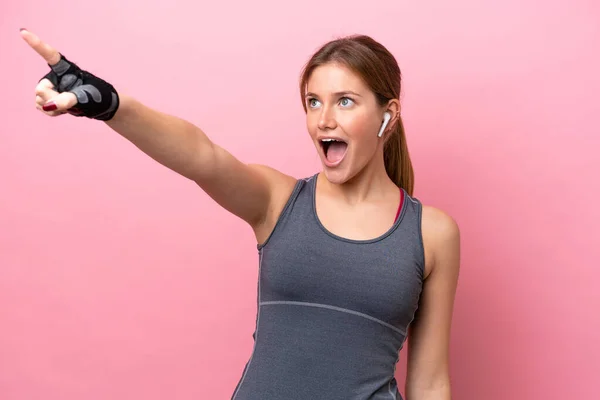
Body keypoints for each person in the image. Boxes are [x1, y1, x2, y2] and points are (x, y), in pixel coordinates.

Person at [20, 28, 460, 400]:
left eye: (345, 101)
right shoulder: (277, 201)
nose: (324, 119)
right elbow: (201, 156)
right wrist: (111, 104)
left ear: (389, 114)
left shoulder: (432, 233)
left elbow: (429, 380)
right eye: (313, 101)